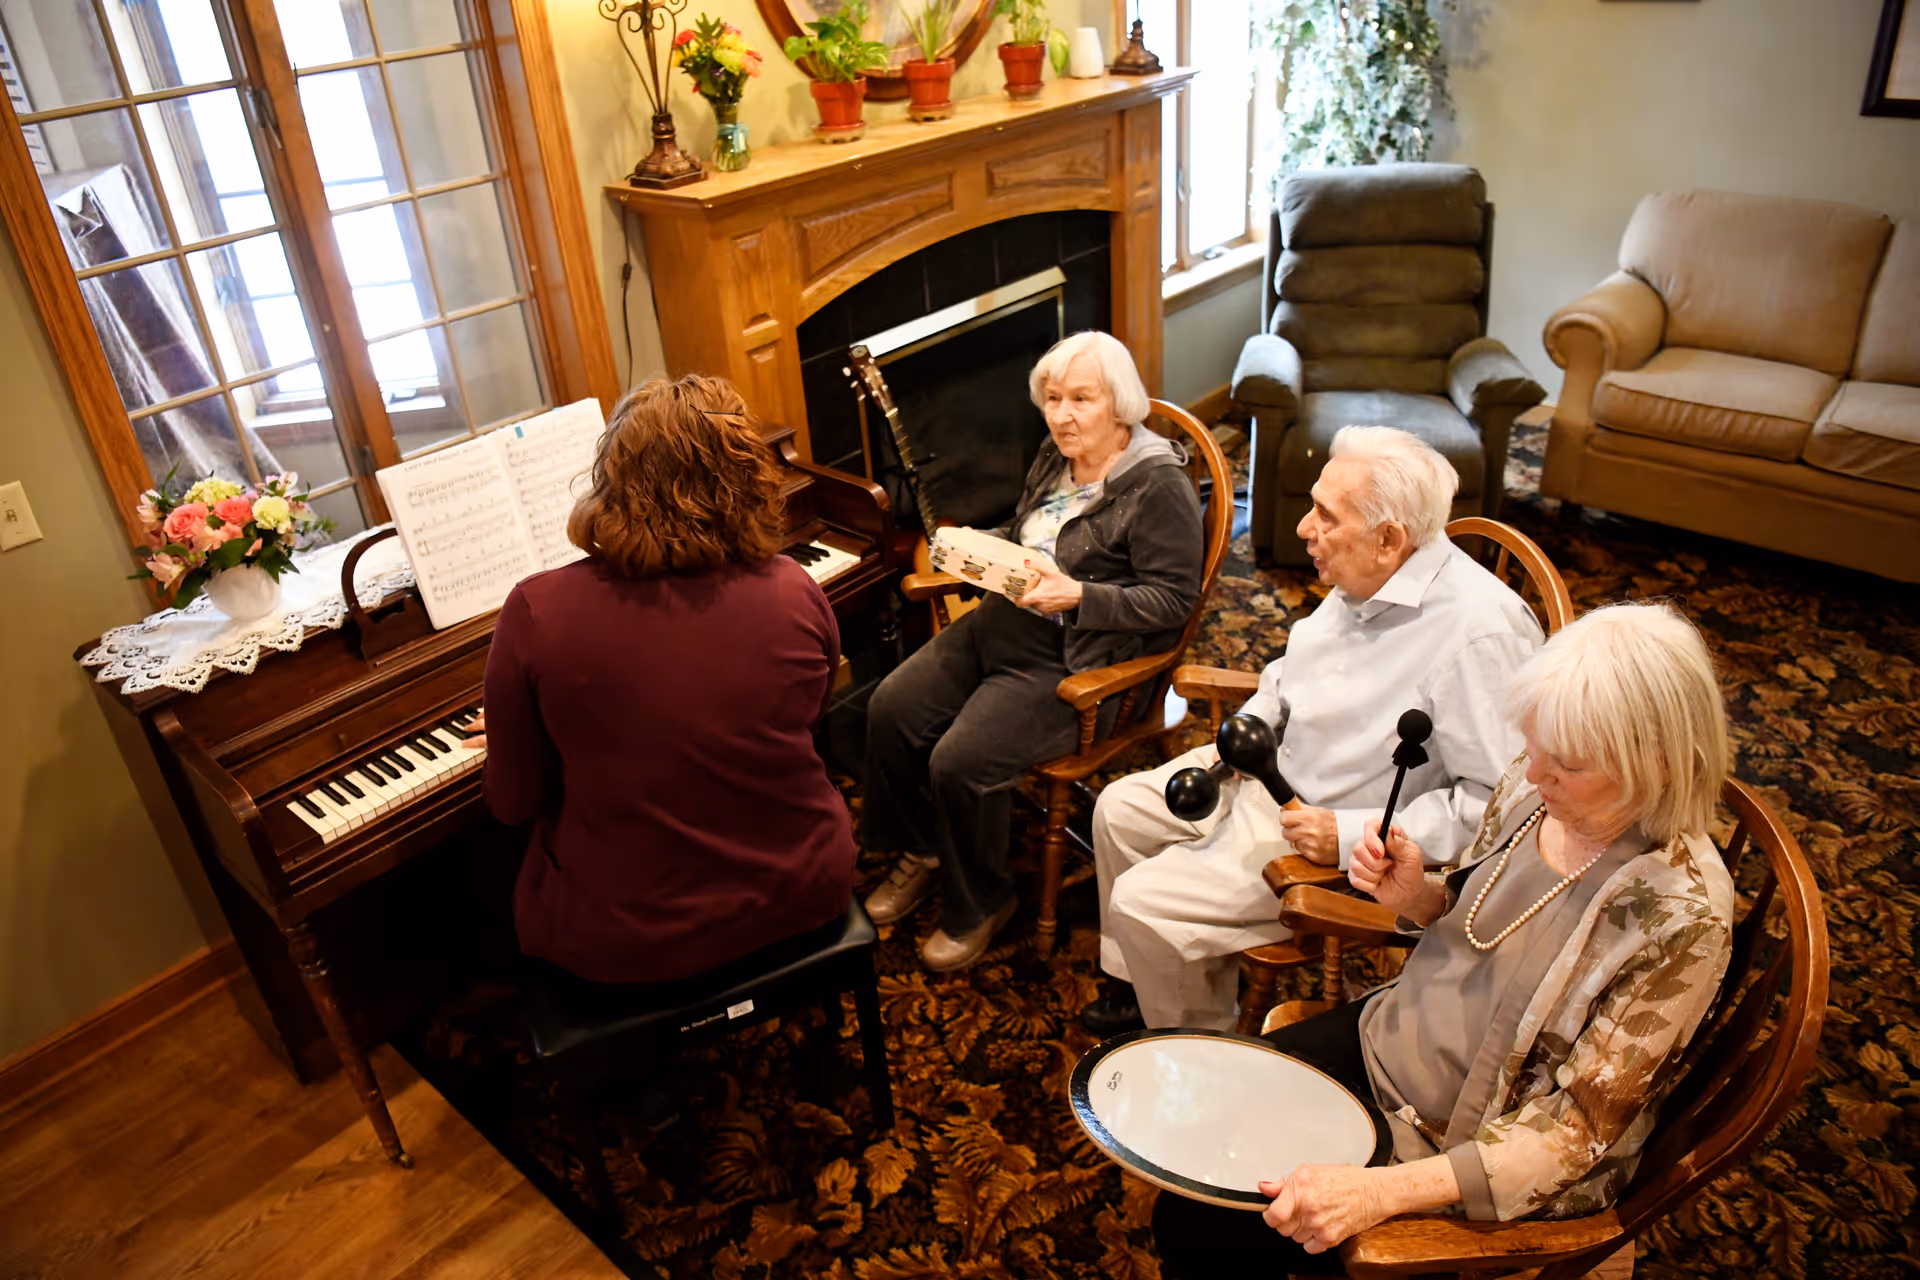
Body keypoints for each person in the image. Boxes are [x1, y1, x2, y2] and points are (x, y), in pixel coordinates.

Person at [1151, 600, 1737, 1275]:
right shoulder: (1534, 781)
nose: (1533, 774)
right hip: (1392, 1037)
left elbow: (1576, 1129)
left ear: (1657, 764)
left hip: (1470, 1141)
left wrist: (1378, 1191)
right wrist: (1420, 895)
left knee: (1198, 1224)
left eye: (1567, 764)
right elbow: (1482, 912)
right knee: (1200, 1133)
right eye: (1533, 745)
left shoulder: (1682, 916)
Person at [1085, 426, 1543, 1034]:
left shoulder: (1482, 639)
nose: (1305, 528)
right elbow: (1291, 670)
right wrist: (1253, 720)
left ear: (1388, 539)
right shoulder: (1373, 573)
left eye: (1326, 516)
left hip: (1330, 833)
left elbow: (1494, 809)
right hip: (1271, 772)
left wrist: (1348, 832)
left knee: (1143, 904)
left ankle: (1196, 1045)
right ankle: (1138, 983)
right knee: (1116, 810)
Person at [473, 374, 855, 985]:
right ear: (748, 480)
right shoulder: (793, 588)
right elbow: (805, 720)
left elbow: (513, 804)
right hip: (804, 888)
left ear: (613, 482)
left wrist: (531, 729)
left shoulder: (537, 609)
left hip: (635, 939)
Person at [862, 331, 1206, 972]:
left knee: (959, 762)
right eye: (1053, 398)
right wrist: (976, 545)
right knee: (890, 709)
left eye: (1082, 398)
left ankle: (983, 901)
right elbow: (1032, 535)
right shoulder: (1056, 451)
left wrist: (1079, 596)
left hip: (1080, 659)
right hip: (1005, 622)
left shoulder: (1159, 486)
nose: (1063, 414)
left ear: (1119, 403)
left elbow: (1171, 603)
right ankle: (927, 847)